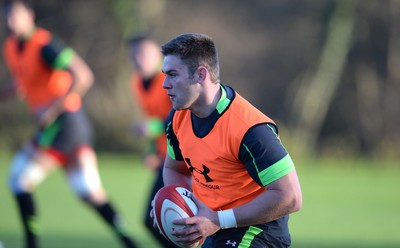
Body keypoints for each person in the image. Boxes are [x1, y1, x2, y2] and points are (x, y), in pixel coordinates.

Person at [1, 1, 138, 247]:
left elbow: (83, 76)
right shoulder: (12, 47)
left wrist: (51, 111)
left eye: (16, 15)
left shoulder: (44, 46)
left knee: (18, 179)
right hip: (67, 126)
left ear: (29, 16)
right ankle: (130, 242)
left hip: (64, 123)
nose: (11, 21)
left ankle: (32, 243)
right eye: (7, 15)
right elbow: (21, 85)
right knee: (89, 192)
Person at [156, 33, 303, 248]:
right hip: (217, 226)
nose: (165, 84)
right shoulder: (177, 118)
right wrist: (183, 208)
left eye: (173, 74)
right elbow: (175, 169)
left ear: (200, 74)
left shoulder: (251, 129)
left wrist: (217, 219)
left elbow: (291, 197)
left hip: (258, 231)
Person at [127, 34, 176, 247]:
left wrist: (153, 127)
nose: (138, 59)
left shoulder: (170, 81)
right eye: (134, 54)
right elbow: (151, 120)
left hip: (184, 159)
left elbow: (181, 118)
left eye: (144, 53)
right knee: (152, 221)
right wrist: (151, 150)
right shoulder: (136, 82)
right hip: (165, 159)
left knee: (159, 220)